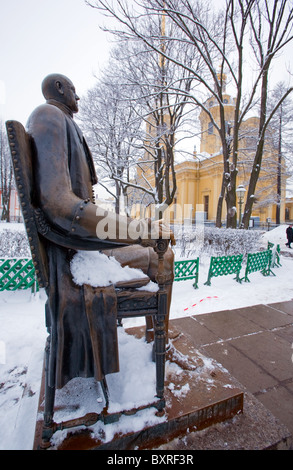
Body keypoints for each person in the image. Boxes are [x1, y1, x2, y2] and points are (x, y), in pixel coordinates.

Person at [26, 73, 175, 391]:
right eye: (74, 92)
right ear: (60, 89)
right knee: (165, 254)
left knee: (156, 250)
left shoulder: (64, 123)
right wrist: (139, 229)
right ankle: (160, 343)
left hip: (80, 248)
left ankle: (155, 335)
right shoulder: (49, 116)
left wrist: (132, 228)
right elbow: (62, 204)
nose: (78, 99)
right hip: (76, 259)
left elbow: (76, 206)